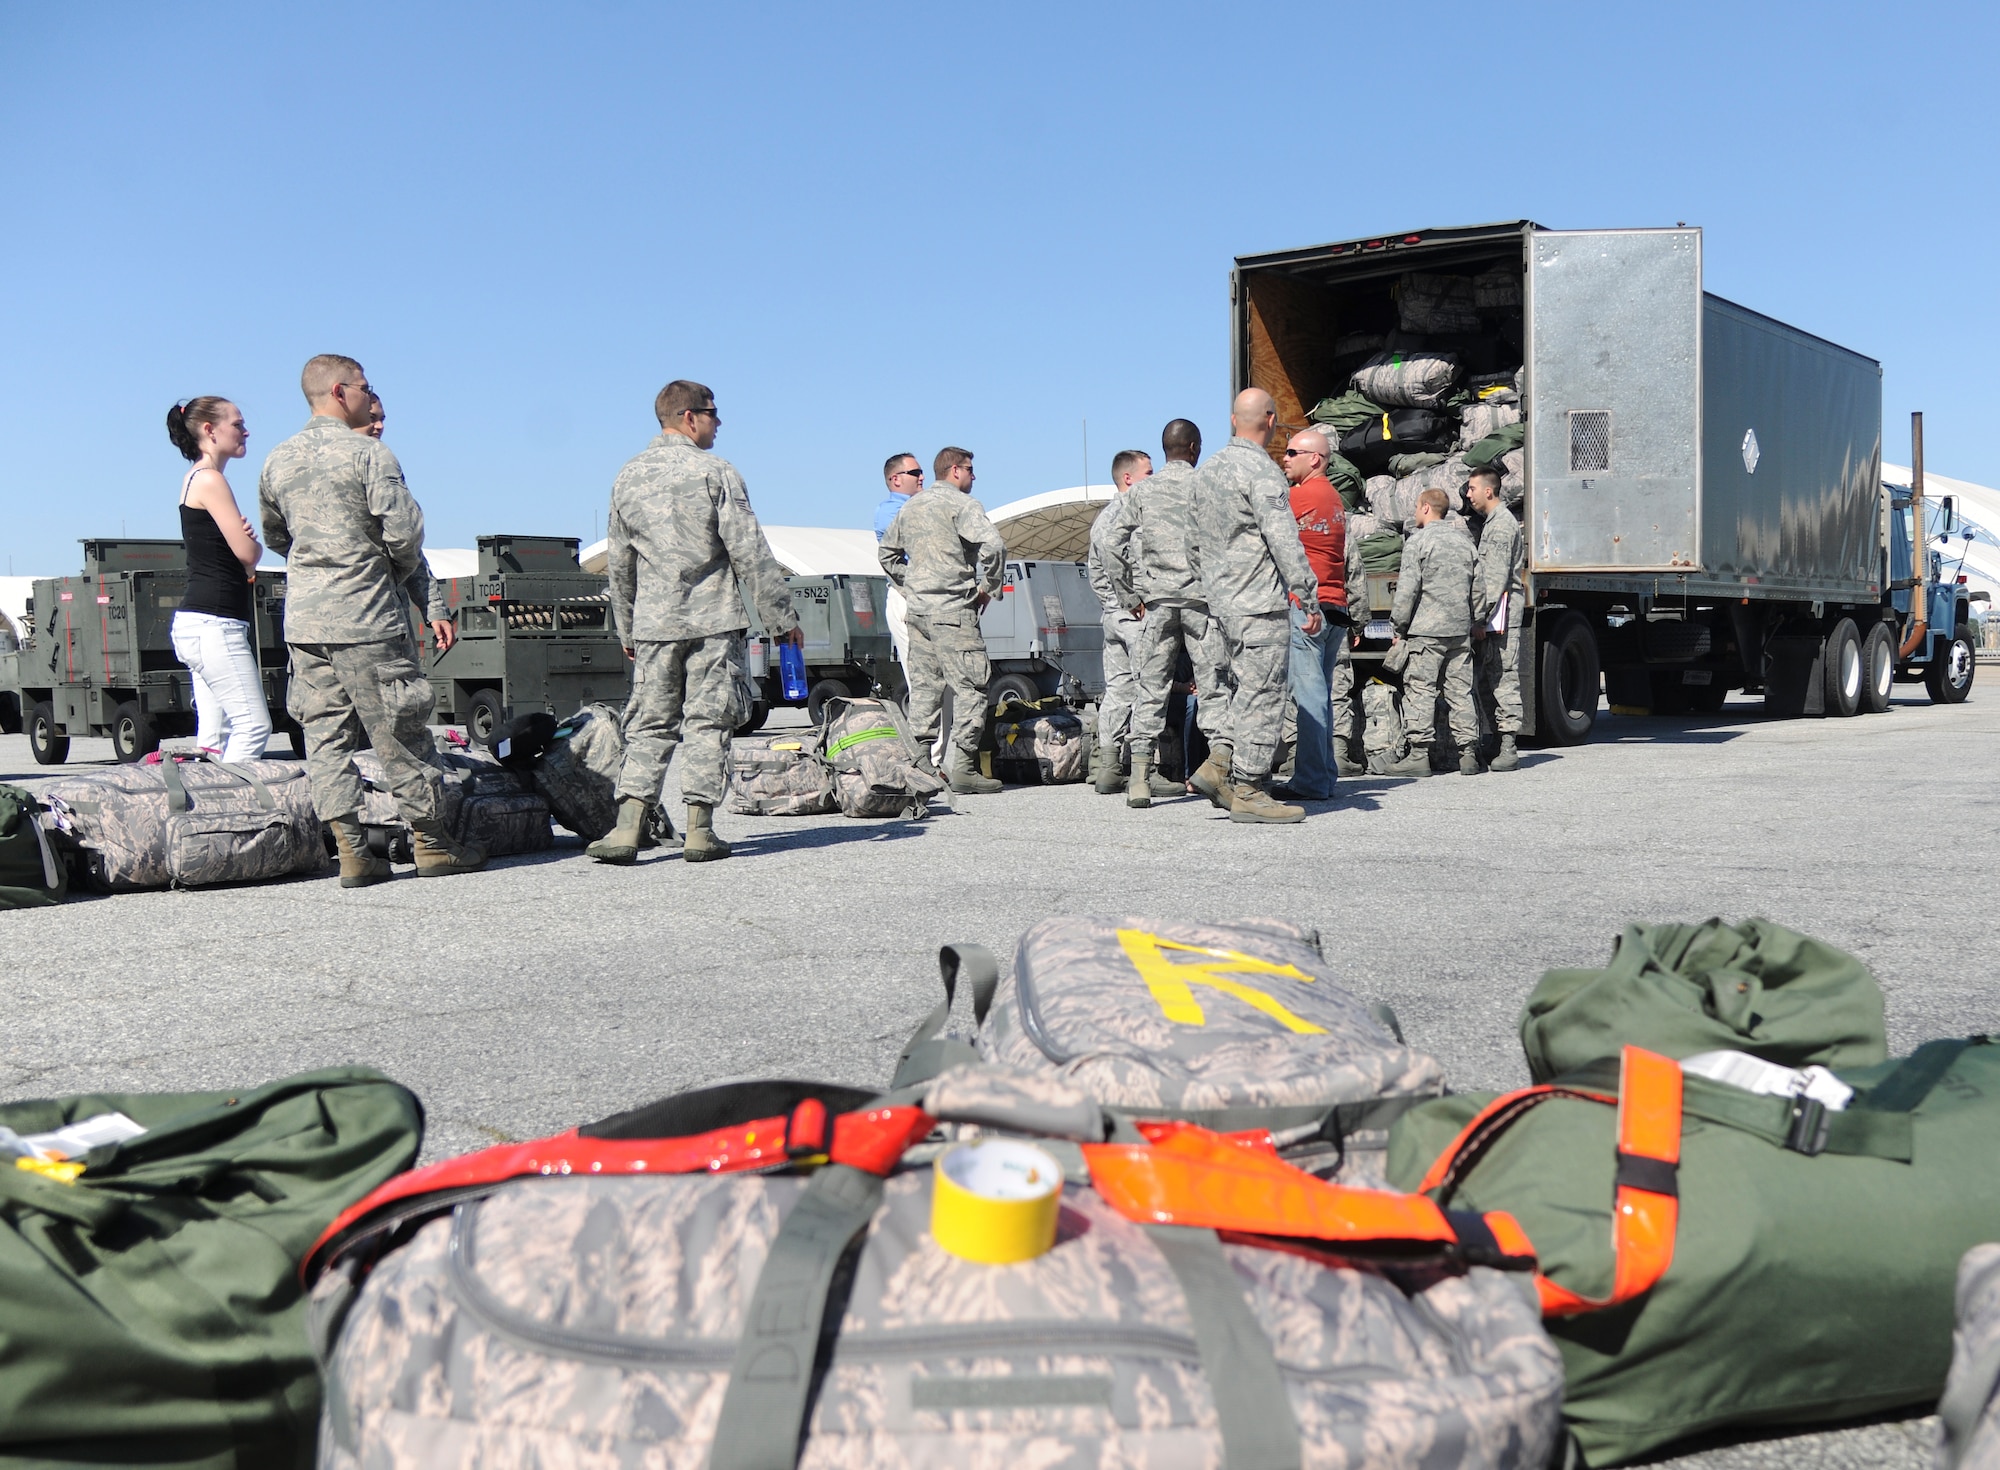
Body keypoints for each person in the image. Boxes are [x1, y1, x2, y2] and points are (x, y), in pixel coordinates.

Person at [259, 354, 480, 886]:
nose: (368, 393)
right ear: (340, 391)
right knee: (401, 731)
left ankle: (354, 853)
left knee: (326, 737)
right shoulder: (370, 455)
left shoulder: (276, 461)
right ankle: (431, 843)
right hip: (366, 617)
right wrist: (381, 567)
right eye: (365, 386)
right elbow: (405, 535)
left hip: (306, 625)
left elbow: (276, 538)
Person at [592, 380, 800, 864]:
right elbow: (749, 550)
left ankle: (627, 831)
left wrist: (627, 629)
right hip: (711, 622)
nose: (718, 423)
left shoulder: (627, 477)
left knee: (648, 725)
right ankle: (700, 832)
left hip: (654, 626)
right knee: (707, 723)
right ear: (689, 417)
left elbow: (619, 565)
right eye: (713, 413)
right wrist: (780, 619)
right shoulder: (717, 472)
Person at [1189, 389, 1321, 823]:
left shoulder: (1206, 472)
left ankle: (1218, 765)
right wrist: (1306, 591)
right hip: (1258, 603)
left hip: (1221, 606)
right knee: (1263, 695)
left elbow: (1192, 544)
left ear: (1232, 420)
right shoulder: (1262, 472)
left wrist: (1214, 588)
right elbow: (1283, 538)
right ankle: (1248, 789)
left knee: (1239, 693)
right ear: (1269, 419)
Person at [1103, 418, 1235, 809]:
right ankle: (1218, 769)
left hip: (1157, 604)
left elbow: (1112, 543)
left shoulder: (1144, 491)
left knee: (1150, 690)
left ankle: (1140, 780)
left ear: (1165, 450)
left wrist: (1129, 595)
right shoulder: (1208, 486)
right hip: (1201, 603)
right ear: (1194, 447)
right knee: (1213, 687)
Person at [878, 446, 1005, 794]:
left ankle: (920, 765)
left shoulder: (911, 507)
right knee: (971, 686)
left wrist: (911, 585)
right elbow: (994, 546)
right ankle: (964, 767)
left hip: (918, 613)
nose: (974, 476)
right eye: (970, 469)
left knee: (925, 688)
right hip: (953, 611)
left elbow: (886, 553)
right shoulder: (963, 505)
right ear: (954, 471)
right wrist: (987, 588)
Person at [165, 397, 273, 761]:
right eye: (238, 424)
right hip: (215, 624)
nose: (246, 431)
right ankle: (238, 808)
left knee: (214, 742)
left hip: (201, 623)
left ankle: (209, 807)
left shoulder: (196, 478)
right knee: (254, 726)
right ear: (209, 430)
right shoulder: (210, 479)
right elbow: (247, 555)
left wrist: (246, 553)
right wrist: (252, 548)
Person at [1387, 487, 1481, 777]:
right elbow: (1479, 590)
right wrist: (1475, 620)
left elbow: (1407, 590)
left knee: (1421, 689)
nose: (1415, 512)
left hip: (1427, 630)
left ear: (1426, 508)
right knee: (1460, 691)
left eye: (1416, 507)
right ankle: (1468, 755)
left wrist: (1398, 626)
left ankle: (1419, 755)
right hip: (1458, 629)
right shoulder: (1465, 543)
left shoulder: (1418, 542)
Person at [1278, 428, 1349, 801]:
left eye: (1293, 452)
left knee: (1308, 695)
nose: (1285, 458)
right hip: (1335, 604)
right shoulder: (1334, 498)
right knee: (1320, 692)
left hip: (1308, 606)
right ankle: (1324, 775)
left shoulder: (1298, 497)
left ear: (1315, 459)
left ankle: (1310, 781)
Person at [1085, 450, 1152, 795]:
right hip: (1136, 617)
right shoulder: (1132, 515)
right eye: (1148, 472)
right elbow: (1115, 558)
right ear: (1128, 478)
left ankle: (1109, 766)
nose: (1152, 479)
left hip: (1113, 617)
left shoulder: (1102, 518)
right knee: (1147, 690)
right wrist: (1131, 600)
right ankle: (1146, 769)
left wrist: (1111, 605)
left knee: (1117, 692)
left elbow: (1094, 572)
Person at [1467, 466, 1524, 772]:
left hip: (1500, 612)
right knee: (1490, 678)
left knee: (1503, 676)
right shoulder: (1492, 522)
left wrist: (1479, 618)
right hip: (1494, 613)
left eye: (1471, 488)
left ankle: (1508, 745)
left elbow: (1495, 578)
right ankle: (1496, 739)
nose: (1468, 494)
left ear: (1488, 491)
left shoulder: (1501, 524)